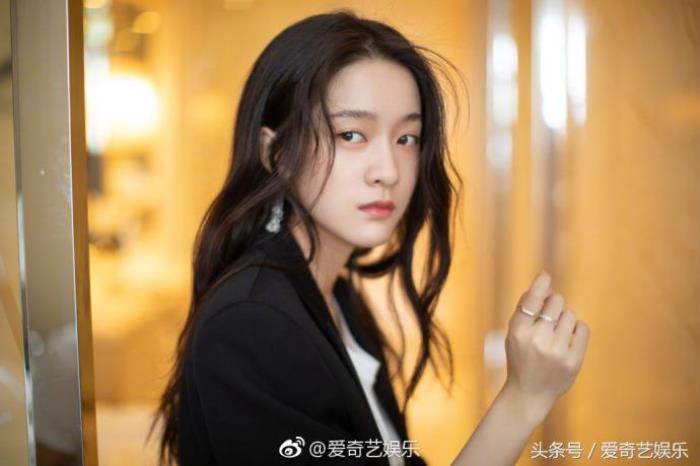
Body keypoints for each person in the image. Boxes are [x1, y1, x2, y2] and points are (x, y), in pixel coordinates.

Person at [149, 10, 590, 466]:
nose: (388, 171)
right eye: (352, 134)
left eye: (407, 138)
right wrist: (523, 399)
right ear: (276, 152)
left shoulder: (336, 298)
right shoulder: (253, 323)